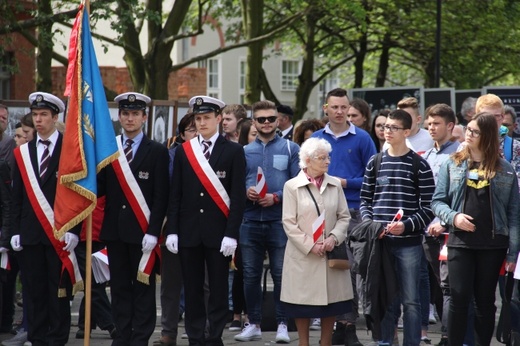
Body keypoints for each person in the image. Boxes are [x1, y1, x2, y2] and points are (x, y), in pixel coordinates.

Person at [431, 112, 520, 345]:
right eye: (468, 129)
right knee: (458, 299)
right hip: (460, 241)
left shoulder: (506, 169)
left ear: (487, 135)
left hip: (493, 244)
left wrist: (512, 253)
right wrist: (454, 217)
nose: (468, 134)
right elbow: (437, 201)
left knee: (485, 301)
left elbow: (513, 214)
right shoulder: (453, 163)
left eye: (474, 131)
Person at [165, 95, 246, 346]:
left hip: (219, 233)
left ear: (219, 119)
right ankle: (195, 335)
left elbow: (237, 197)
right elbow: (175, 194)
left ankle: (214, 335)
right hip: (189, 233)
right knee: (192, 289)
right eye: (198, 119)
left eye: (206, 118)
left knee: (219, 290)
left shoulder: (233, 151)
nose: (201, 123)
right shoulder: (183, 152)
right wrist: (173, 231)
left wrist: (232, 234)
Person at [98, 92, 169, 345]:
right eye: (125, 114)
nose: (130, 119)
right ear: (119, 117)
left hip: (143, 233)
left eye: (135, 114)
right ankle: (122, 335)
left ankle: (140, 337)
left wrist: (153, 232)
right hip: (115, 231)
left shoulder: (158, 151)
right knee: (118, 289)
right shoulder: (108, 150)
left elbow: (161, 197)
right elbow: (100, 189)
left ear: (144, 117)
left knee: (143, 289)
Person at [10, 92, 81, 346]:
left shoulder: (71, 150)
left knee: (58, 292)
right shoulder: (23, 153)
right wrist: (14, 230)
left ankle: (57, 338)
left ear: (55, 117)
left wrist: (75, 229)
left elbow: (79, 194)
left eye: (43, 115)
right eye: (35, 115)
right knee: (34, 290)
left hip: (60, 233)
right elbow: (15, 196)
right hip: (30, 232)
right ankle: (37, 337)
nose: (38, 120)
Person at [360, 109, 435, 346]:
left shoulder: (419, 165)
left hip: (409, 245)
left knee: (411, 302)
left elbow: (430, 207)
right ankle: (385, 342)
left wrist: (406, 226)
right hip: (381, 243)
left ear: (406, 131)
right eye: (385, 127)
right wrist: (373, 226)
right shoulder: (376, 161)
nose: (386, 131)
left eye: (393, 128)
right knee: (386, 299)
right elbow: (365, 200)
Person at [312, 88, 376, 346]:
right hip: (322, 213)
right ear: (326, 108)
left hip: (354, 212)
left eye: (343, 108)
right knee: (327, 273)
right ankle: (336, 326)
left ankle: (348, 325)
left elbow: (373, 180)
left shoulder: (362, 138)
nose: (339, 112)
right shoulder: (316, 138)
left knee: (351, 270)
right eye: (334, 107)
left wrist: (344, 182)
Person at [234, 100, 300, 344]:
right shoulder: (243, 151)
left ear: (277, 120)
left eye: (270, 118)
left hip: (279, 221)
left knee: (282, 274)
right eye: (261, 119)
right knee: (249, 275)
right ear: (253, 122)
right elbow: (235, 183)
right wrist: (246, 191)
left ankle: (283, 324)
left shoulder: (291, 149)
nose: (266, 123)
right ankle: (254, 323)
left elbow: (297, 184)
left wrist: (277, 197)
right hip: (249, 220)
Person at [281, 137, 353, 346]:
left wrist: (333, 238)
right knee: (301, 305)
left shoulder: (334, 185)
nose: (327, 161)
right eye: (322, 157)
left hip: (330, 254)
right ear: (307, 160)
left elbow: (344, 217)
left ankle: (326, 342)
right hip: (303, 256)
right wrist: (310, 245)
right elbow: (288, 223)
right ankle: (303, 343)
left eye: (328, 157)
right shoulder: (292, 186)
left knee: (331, 304)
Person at [154, 113, 197, 346]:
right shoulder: (170, 156)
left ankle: (199, 331)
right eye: (191, 130)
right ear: (181, 134)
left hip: (203, 228)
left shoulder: (218, 154)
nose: (196, 133)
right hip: (173, 225)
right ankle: (168, 331)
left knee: (203, 285)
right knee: (171, 284)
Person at [421, 104, 460, 345]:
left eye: (436, 123)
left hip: (449, 231)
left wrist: (445, 222)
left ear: (450, 126)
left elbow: (459, 196)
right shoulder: (427, 155)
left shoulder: (459, 154)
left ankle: (449, 335)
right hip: (427, 230)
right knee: (436, 286)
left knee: (450, 287)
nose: (431, 128)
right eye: (429, 123)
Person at [74, 196, 116, 340]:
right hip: (81, 235)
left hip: (101, 233)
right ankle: (110, 323)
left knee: (96, 281)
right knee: (92, 283)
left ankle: (85, 324)